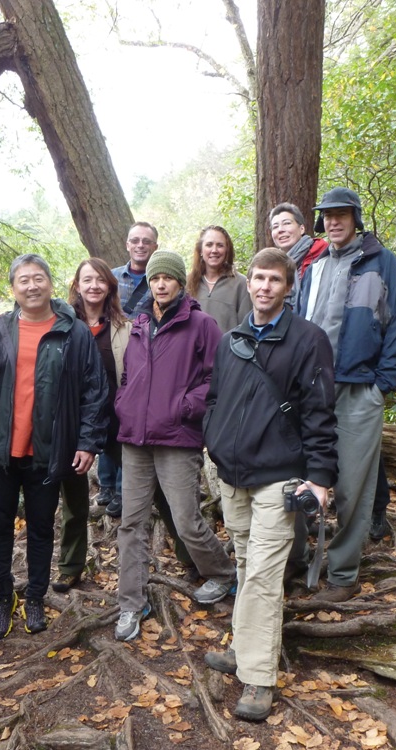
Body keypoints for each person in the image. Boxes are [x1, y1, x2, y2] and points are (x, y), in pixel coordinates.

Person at [203, 248, 338, 721]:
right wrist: (212, 443)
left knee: (262, 574)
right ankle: (243, 647)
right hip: (233, 474)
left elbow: (321, 414)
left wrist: (320, 478)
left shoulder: (308, 340)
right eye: (258, 278)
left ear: (287, 287)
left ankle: (258, 678)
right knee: (244, 563)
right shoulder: (231, 339)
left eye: (274, 281)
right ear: (250, 282)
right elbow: (216, 398)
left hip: (278, 475)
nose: (264, 287)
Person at [0, 253, 107, 638]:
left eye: (38, 278)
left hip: (49, 452)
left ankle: (35, 596)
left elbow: (94, 391)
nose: (32, 286)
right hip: (2, 454)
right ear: (13, 288)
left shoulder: (74, 332)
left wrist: (87, 442)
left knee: (40, 528)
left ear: (50, 283)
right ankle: (3, 598)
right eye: (23, 280)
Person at [113, 250, 236, 642]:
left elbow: (218, 378)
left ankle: (222, 573)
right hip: (135, 439)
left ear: (181, 282)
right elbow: (130, 374)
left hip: (177, 437)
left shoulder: (200, 324)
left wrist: (185, 406)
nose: (160, 284)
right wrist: (125, 404)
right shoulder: (139, 324)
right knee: (131, 523)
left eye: (167, 278)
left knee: (185, 519)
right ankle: (132, 604)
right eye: (154, 279)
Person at [295, 187, 396, 602]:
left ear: (356, 218)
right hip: (310, 388)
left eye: (342, 215)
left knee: (352, 487)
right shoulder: (315, 267)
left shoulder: (381, 263)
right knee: (301, 477)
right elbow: (298, 323)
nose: (334, 222)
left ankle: (343, 576)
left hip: (359, 388)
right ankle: (297, 564)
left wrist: (383, 384)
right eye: (327, 216)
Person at [54, 258, 130, 593]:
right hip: (74, 423)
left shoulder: (124, 326)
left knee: (150, 487)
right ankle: (70, 566)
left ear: (110, 286)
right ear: (77, 284)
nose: (94, 286)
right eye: (88, 280)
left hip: (118, 420)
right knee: (74, 500)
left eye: (101, 280)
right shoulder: (62, 325)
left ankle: (187, 555)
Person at [103, 222, 159, 515]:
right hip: (109, 356)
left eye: (146, 241)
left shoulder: (161, 279)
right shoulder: (112, 277)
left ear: (154, 247)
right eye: (135, 240)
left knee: (130, 420)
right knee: (107, 416)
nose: (140, 246)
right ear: (127, 244)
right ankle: (106, 485)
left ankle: (125, 491)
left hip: (144, 360)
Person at [185, 225, 252, 332]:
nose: (214, 250)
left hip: (226, 348)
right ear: (201, 250)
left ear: (227, 251)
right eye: (209, 245)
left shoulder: (241, 284)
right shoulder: (187, 283)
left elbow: (246, 328)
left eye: (220, 245)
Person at [268, 202, 327, 311]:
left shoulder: (321, 255)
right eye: (275, 227)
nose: (280, 230)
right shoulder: (275, 265)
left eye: (287, 223)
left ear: (302, 229)